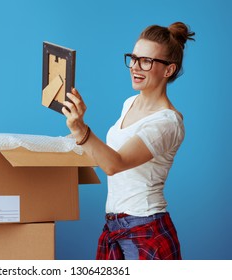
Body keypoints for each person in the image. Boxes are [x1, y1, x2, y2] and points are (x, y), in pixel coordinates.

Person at [62, 22, 195, 260]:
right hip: (115, 225)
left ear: (168, 70)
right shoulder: (129, 103)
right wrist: (73, 137)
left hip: (146, 229)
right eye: (133, 58)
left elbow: (115, 164)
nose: (135, 67)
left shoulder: (167, 122)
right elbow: (107, 155)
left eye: (146, 61)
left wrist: (81, 130)